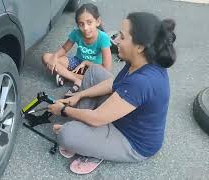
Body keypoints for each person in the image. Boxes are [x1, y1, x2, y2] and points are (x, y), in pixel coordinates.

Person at [48, 12, 176, 175]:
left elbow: (98, 118)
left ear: (140, 46)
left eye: (122, 37)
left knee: (66, 135)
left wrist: (64, 110)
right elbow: (115, 83)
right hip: (123, 113)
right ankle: (87, 135)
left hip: (132, 141)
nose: (115, 41)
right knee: (94, 71)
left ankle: (94, 148)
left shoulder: (142, 82)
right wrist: (79, 95)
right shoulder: (141, 59)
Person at [42, 3, 112, 96]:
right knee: (46, 57)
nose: (85, 28)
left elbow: (107, 68)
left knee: (104, 79)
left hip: (94, 68)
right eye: (81, 24)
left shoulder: (103, 38)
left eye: (89, 22)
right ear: (78, 25)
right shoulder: (76, 33)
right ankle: (76, 80)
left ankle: (65, 75)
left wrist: (86, 62)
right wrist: (54, 57)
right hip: (77, 62)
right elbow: (64, 48)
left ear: (98, 22)